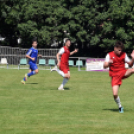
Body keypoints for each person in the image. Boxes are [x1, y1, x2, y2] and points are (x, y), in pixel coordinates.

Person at [103, 41, 134, 113]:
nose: (120, 52)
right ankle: (120, 106)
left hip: (123, 72)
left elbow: (131, 64)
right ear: (115, 48)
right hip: (115, 76)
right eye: (119, 50)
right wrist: (108, 63)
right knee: (115, 94)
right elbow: (104, 66)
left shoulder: (124, 54)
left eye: (121, 50)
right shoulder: (109, 55)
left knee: (133, 70)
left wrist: (133, 58)